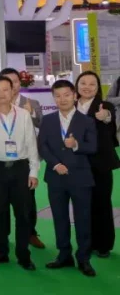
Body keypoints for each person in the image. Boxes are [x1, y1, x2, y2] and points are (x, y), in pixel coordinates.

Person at [0, 76, 38, 271]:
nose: (2, 94)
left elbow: (31, 143)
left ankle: (23, 255)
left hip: (20, 168)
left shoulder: (23, 114)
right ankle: (0, 252)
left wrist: (34, 171)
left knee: (23, 214)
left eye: (5, 90)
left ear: (12, 92)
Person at [39, 79, 97, 277]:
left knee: (83, 219)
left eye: (66, 95)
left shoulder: (87, 121)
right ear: (53, 98)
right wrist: (55, 164)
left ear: (74, 96)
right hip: (55, 177)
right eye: (57, 96)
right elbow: (43, 146)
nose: (62, 99)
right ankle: (64, 255)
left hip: (81, 177)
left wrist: (76, 145)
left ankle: (84, 259)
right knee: (60, 218)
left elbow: (93, 147)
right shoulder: (47, 120)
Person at [75, 71, 119, 257]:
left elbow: (110, 121)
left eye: (92, 84)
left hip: (100, 164)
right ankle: (88, 242)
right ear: (77, 85)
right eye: (83, 83)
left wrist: (105, 116)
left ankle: (104, 245)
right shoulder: (71, 105)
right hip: (77, 164)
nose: (87, 87)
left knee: (101, 203)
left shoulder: (105, 105)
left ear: (98, 87)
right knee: (83, 205)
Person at [1, 67, 45, 249]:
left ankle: (30, 233)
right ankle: (3, 237)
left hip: (26, 159)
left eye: (15, 81)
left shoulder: (32, 102)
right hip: (2, 160)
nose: (12, 85)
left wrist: (31, 114)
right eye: (7, 82)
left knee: (28, 199)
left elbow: (42, 124)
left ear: (20, 83)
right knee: (2, 200)